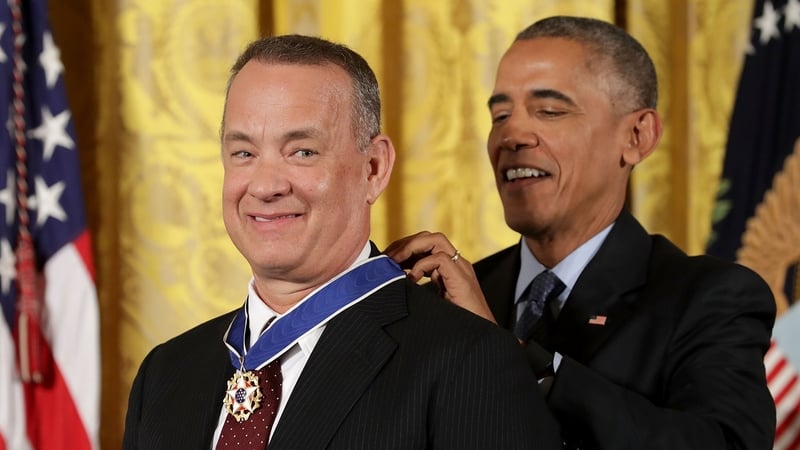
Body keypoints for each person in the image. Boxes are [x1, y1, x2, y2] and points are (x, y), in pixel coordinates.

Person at [122, 34, 562, 449]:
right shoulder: (166, 372)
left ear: (373, 168)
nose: (265, 185)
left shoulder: (468, 360)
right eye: (244, 153)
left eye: (303, 152)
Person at [386, 16, 776, 450]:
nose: (511, 135)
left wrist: (511, 354)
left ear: (636, 136)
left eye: (549, 111)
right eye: (499, 115)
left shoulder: (710, 297)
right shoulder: (448, 301)